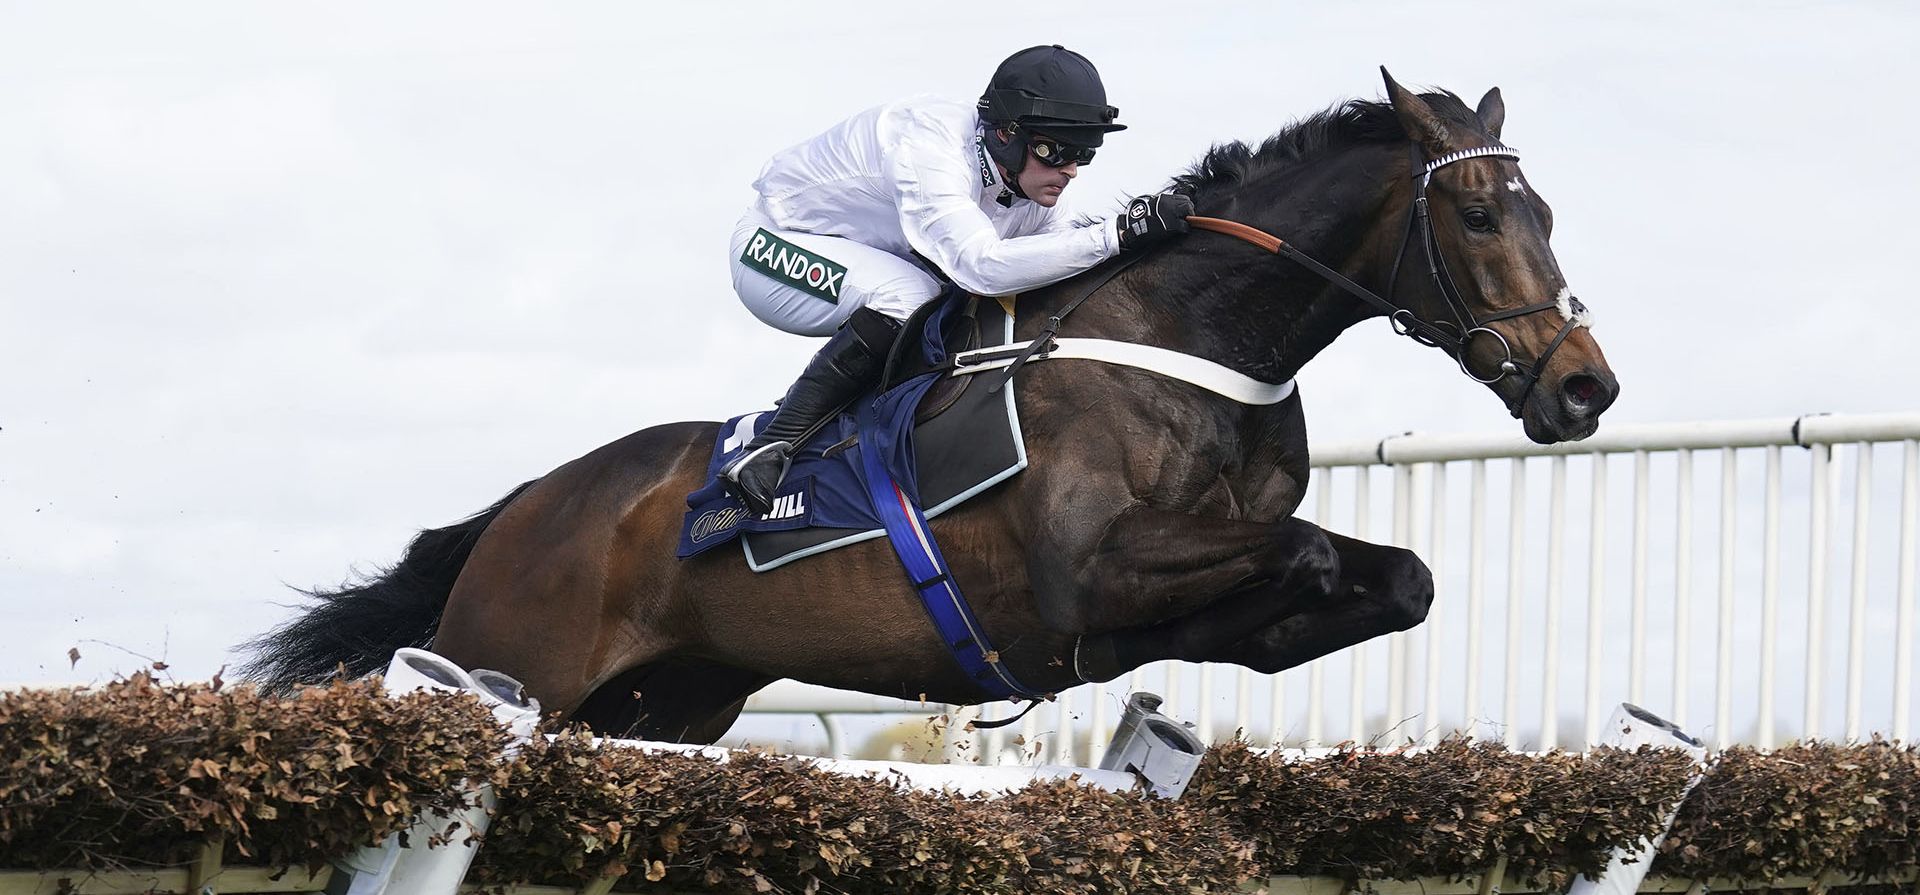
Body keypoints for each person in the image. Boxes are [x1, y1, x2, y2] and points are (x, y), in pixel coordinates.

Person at [721, 44, 1193, 516]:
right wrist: (1117, 233)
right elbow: (981, 267)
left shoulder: (1033, 190)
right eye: (1059, 150)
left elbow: (1056, 268)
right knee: (913, 295)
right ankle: (772, 446)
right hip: (772, 246)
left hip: (866, 253)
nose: (1070, 170)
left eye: (1084, 154)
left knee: (951, 302)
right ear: (1006, 134)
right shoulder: (929, 148)